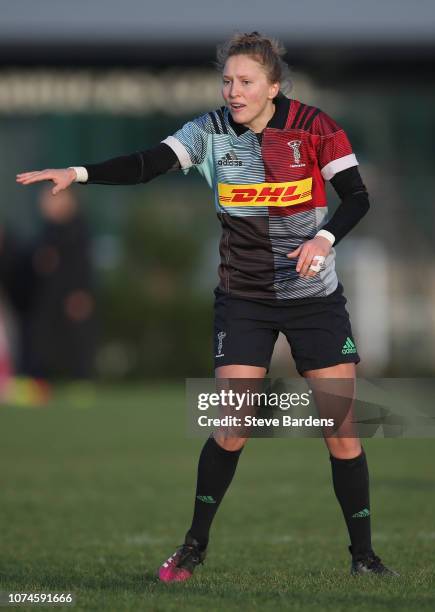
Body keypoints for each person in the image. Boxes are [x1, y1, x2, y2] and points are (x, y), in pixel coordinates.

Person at [16, 31, 398, 580]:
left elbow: (357, 197)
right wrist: (78, 173)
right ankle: (194, 545)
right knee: (231, 425)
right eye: (227, 81)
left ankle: (364, 557)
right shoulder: (209, 131)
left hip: (313, 299)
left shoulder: (316, 127)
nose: (233, 92)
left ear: (273, 86)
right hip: (243, 298)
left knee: (342, 429)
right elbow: (149, 162)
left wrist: (323, 240)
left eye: (245, 82)